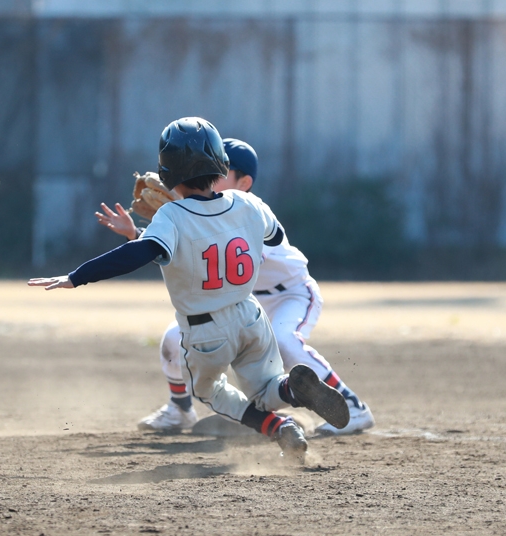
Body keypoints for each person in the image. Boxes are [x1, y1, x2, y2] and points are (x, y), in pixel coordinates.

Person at [30, 117, 349, 460]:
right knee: (267, 388)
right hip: (251, 317)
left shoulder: (170, 217)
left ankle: (278, 427)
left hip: (207, 330)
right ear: (221, 164)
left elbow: (139, 255)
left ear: (166, 173)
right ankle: (293, 390)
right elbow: (273, 237)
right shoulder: (249, 204)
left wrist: (78, 275)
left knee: (211, 391)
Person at [95, 138, 375, 436]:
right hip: (243, 301)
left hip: (290, 295)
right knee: (174, 337)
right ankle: (180, 409)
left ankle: (352, 406)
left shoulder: (247, 210)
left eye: (222, 168)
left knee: (284, 341)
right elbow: (184, 252)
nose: (211, 172)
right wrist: (138, 234)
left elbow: (218, 251)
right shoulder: (204, 212)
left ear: (244, 182)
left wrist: (182, 213)